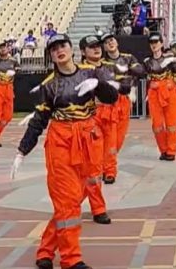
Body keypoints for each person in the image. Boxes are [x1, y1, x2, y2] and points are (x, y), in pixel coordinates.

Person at [10, 33, 120, 269]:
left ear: (71, 48)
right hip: (61, 142)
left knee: (71, 201)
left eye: (63, 46)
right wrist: (22, 151)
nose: (59, 50)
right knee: (67, 199)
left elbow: (112, 98)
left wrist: (99, 85)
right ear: (51, 56)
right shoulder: (50, 84)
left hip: (89, 140)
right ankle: (71, 259)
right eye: (54, 49)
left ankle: (46, 250)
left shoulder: (91, 72)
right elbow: (39, 120)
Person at [76, 35, 113, 225]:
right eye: (91, 47)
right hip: (80, 123)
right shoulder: (77, 71)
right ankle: (74, 203)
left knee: (95, 168)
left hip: (102, 119)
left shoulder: (105, 69)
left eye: (98, 46)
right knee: (78, 170)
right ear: (83, 51)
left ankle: (97, 208)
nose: (96, 49)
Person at [98, 32, 141, 184]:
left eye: (111, 40)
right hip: (109, 102)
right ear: (103, 46)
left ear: (116, 41)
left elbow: (140, 71)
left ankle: (105, 164)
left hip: (124, 101)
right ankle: (109, 171)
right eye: (106, 42)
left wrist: (135, 73)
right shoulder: (102, 62)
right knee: (110, 137)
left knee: (119, 140)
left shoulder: (128, 58)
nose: (110, 43)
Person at [138, 34, 176, 160]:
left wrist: (174, 60)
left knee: (171, 123)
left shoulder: (170, 58)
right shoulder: (147, 61)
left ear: (161, 43)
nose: (154, 44)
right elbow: (140, 73)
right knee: (156, 125)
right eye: (151, 42)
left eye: (156, 42)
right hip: (154, 92)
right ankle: (163, 149)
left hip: (168, 91)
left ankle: (171, 151)